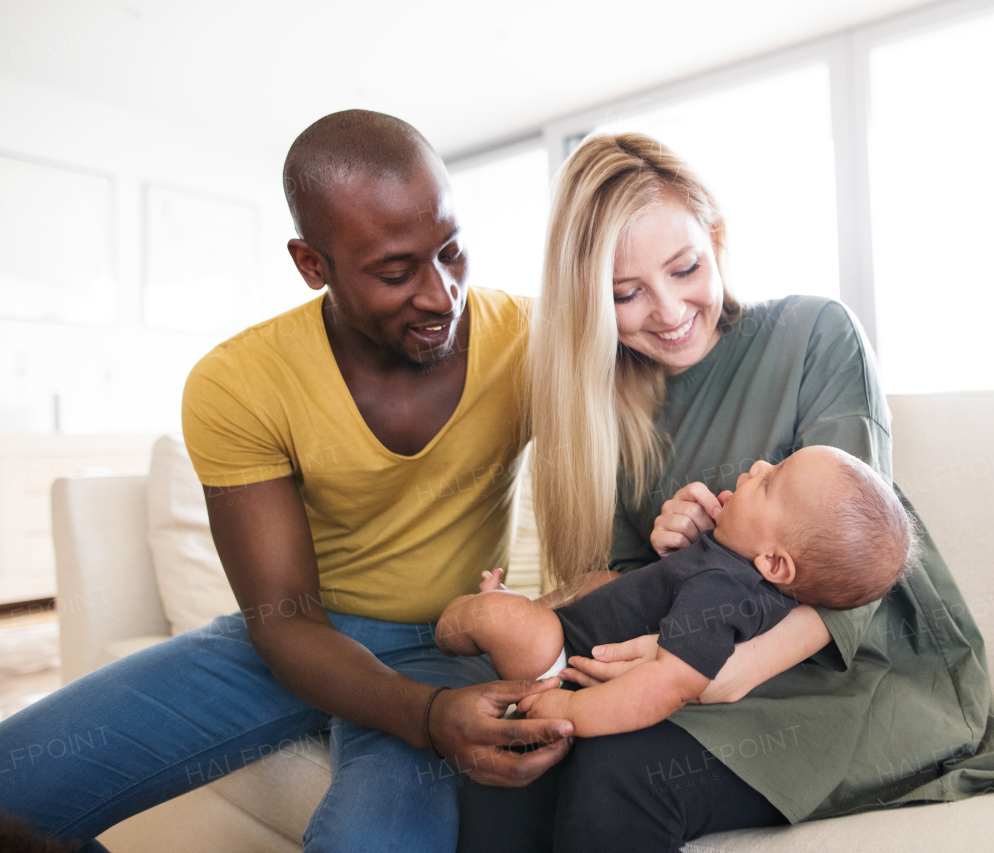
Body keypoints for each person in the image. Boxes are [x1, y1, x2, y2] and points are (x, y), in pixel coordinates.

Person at [0, 110, 574, 852]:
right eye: (396, 272)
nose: (440, 295)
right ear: (312, 265)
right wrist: (426, 715)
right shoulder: (238, 382)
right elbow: (284, 621)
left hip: (448, 638)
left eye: (452, 251)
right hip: (297, 633)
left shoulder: (530, 341)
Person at [457, 133, 994, 853]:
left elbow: (859, 554)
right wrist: (662, 553)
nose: (669, 310)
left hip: (850, 672)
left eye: (684, 268)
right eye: (626, 293)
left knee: (620, 769)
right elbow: (632, 596)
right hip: (692, 655)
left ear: (716, 237)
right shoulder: (605, 409)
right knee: (516, 753)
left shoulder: (814, 333)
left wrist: (725, 673)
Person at [436, 446, 917, 737]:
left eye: (770, 481)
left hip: (567, 662)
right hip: (572, 629)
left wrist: (571, 711)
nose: (758, 465)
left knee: (494, 618)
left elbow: (666, 686)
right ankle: (508, 607)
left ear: (773, 562)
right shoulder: (728, 567)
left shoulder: (722, 591)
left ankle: (456, 625)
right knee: (594, 581)